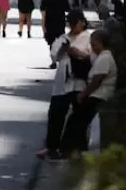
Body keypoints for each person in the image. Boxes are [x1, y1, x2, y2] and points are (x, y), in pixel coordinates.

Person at [36, 10, 91, 160]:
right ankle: (51, 146)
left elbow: (91, 57)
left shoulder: (88, 38)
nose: (73, 27)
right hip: (62, 82)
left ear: (82, 22)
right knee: (56, 114)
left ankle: (77, 147)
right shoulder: (63, 38)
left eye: (76, 23)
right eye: (71, 24)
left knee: (78, 116)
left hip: (79, 82)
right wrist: (63, 49)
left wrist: (76, 53)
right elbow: (54, 56)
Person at [61, 29, 117, 158]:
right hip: (95, 94)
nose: (92, 47)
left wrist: (83, 94)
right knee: (77, 119)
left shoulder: (105, 57)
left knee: (77, 120)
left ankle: (70, 149)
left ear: (102, 44)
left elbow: (96, 81)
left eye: (94, 44)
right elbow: (87, 58)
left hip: (99, 95)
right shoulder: (100, 56)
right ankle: (77, 148)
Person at [41, 0, 71, 68]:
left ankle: (53, 62)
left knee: (51, 42)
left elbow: (42, 8)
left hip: (50, 22)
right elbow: (67, 9)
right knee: (60, 42)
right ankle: (60, 60)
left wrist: (43, 22)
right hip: (60, 22)